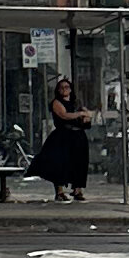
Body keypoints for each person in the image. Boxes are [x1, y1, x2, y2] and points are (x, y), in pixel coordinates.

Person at [32, 71, 92, 202]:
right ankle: (59, 191)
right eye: (62, 88)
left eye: (67, 87)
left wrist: (85, 116)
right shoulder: (56, 103)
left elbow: (87, 116)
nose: (65, 90)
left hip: (78, 136)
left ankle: (77, 189)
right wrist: (79, 114)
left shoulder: (77, 103)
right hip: (63, 136)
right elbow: (64, 115)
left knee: (79, 163)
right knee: (60, 163)